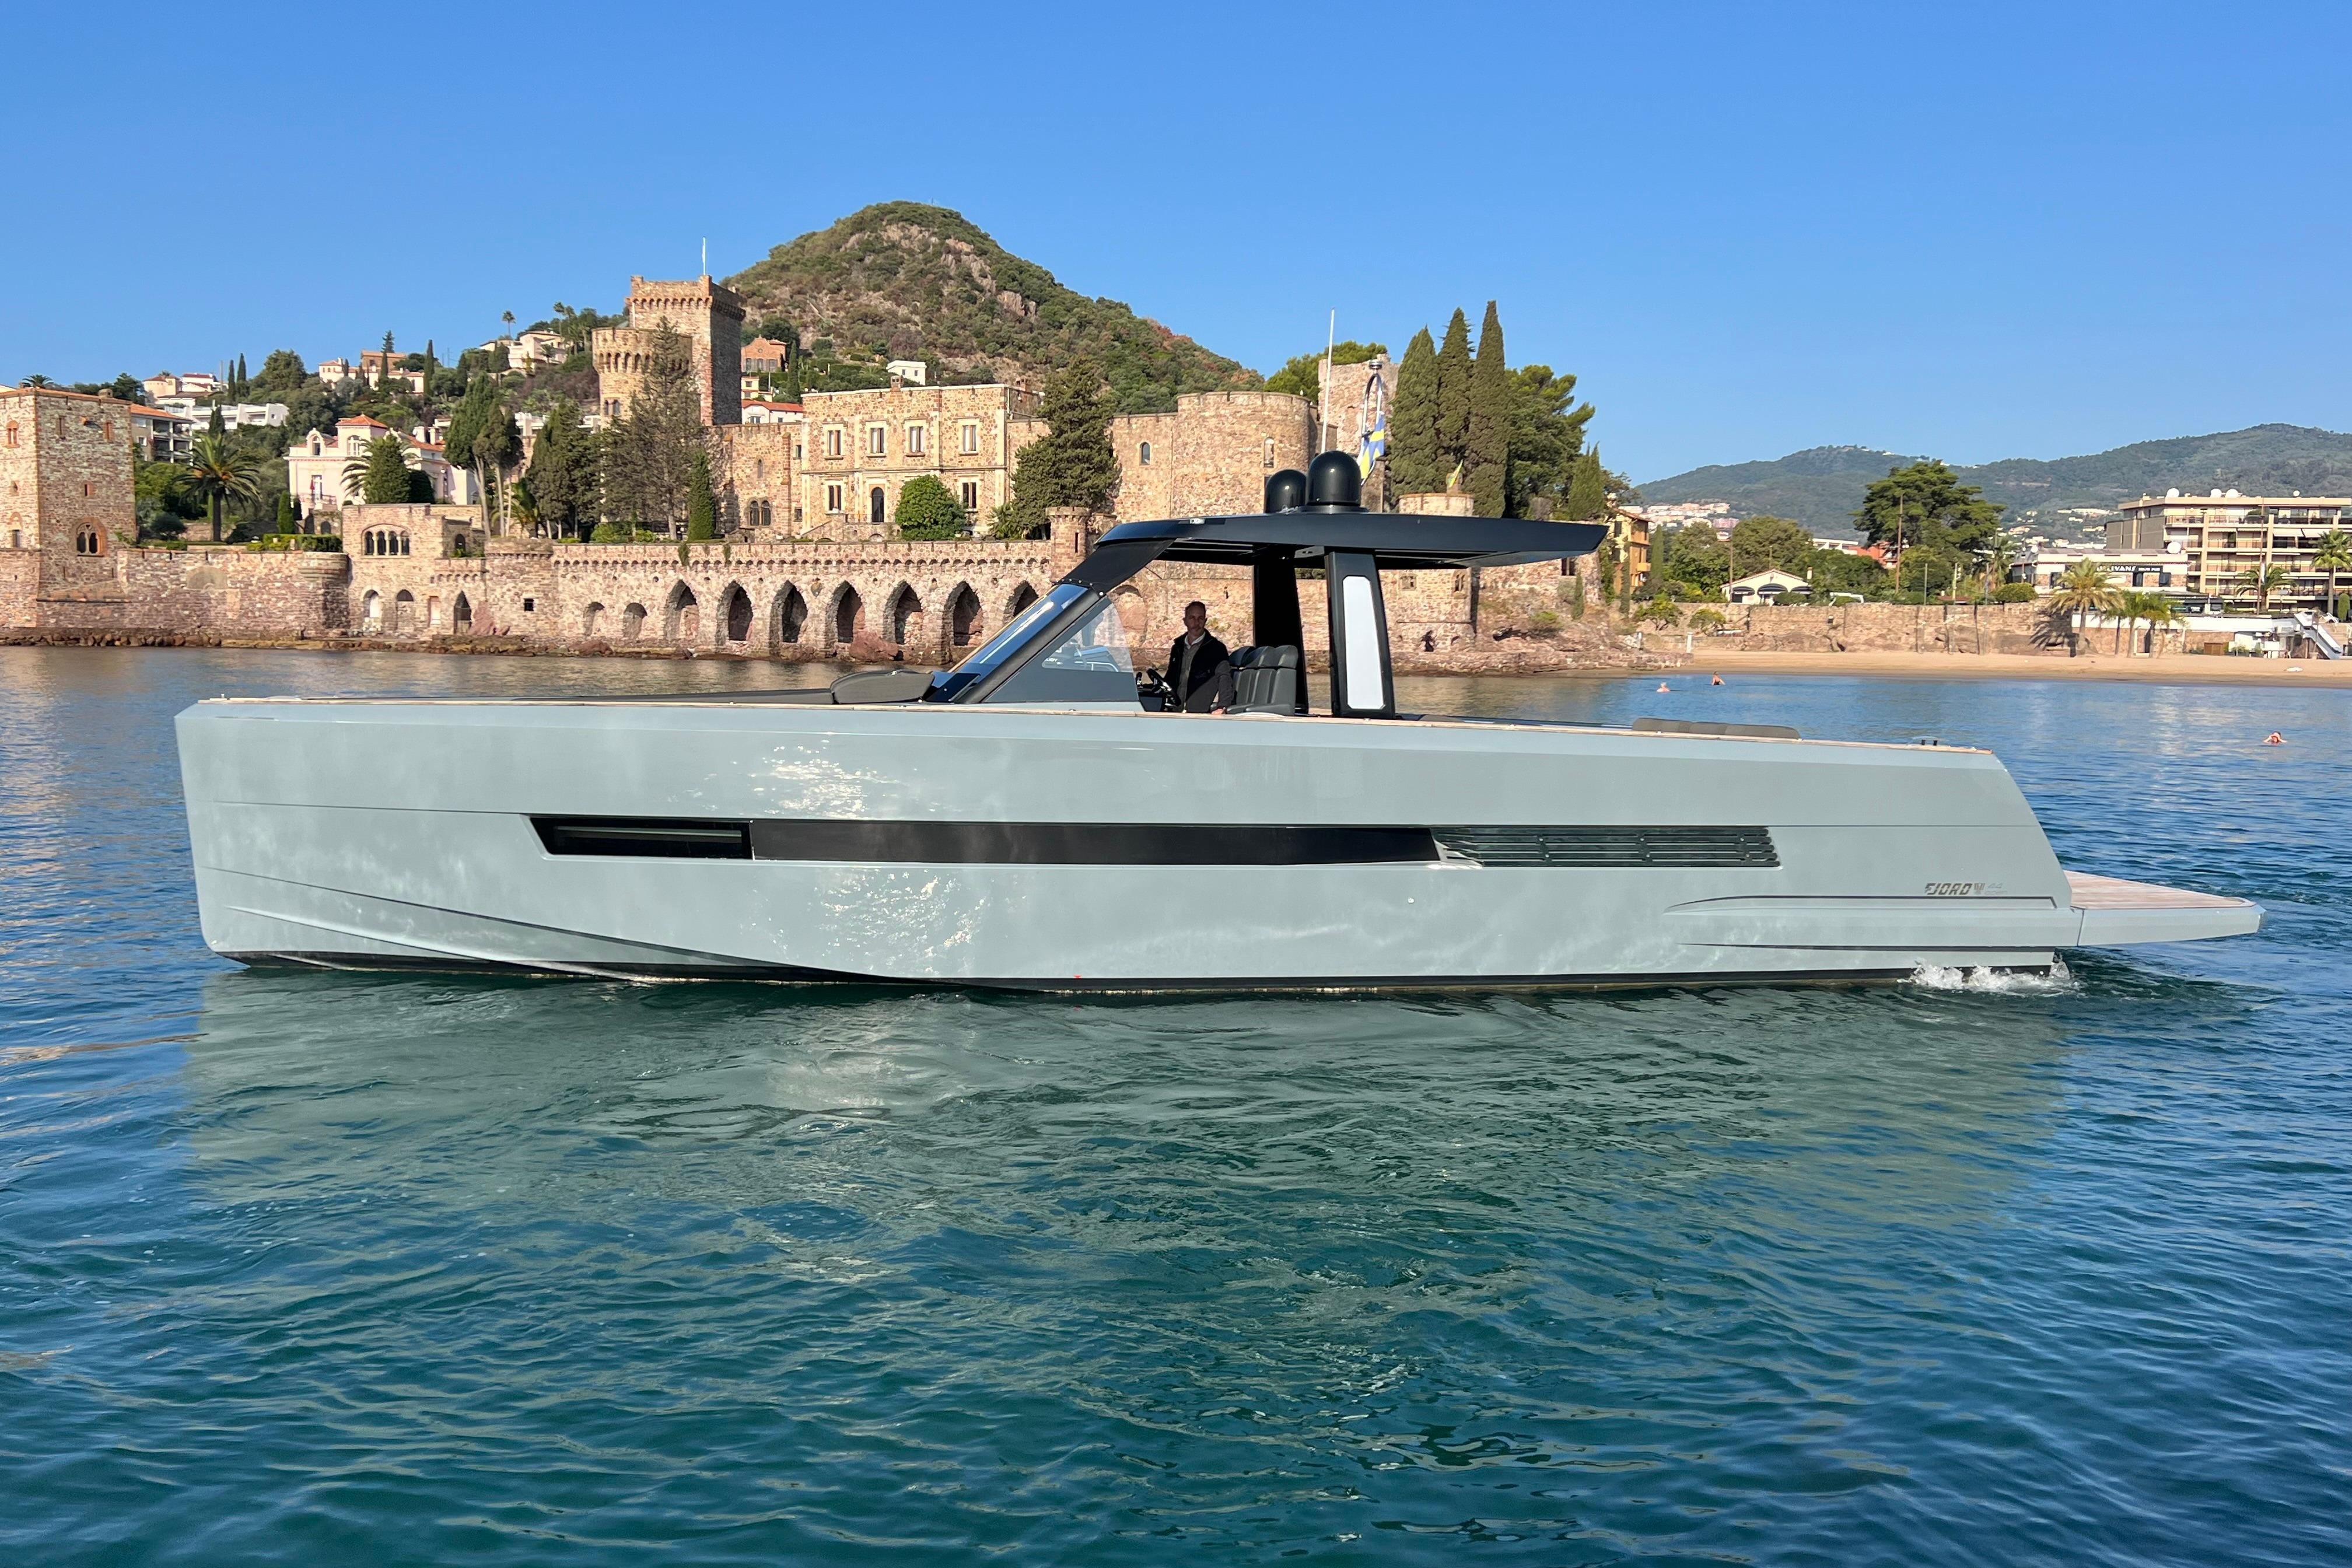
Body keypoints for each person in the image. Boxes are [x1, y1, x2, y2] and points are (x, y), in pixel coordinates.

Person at [1166, 600, 1233, 712]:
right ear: (1185, 621)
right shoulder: (1177, 648)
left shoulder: (1217, 649)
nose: (1196, 623)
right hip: (1174, 711)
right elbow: (1169, 678)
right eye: (1192, 618)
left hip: (1199, 713)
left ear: (1205, 621)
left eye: (1200, 618)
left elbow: (1224, 678)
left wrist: (1222, 707)